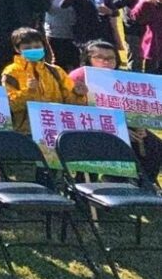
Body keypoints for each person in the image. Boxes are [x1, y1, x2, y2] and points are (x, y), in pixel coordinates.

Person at [69, 40, 162, 183]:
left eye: (110, 58)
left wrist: (139, 125)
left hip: (122, 125)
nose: (105, 62)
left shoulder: (121, 77)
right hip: (88, 126)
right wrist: (119, 130)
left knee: (154, 145)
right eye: (99, 58)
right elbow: (74, 112)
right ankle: (113, 182)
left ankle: (144, 184)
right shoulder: (78, 77)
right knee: (118, 145)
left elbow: (133, 107)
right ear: (88, 59)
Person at [1, 27, 87, 134]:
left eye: (37, 47)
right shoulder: (11, 72)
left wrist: (78, 95)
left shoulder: (55, 71)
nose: (33, 50)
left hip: (57, 127)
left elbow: (70, 102)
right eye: (27, 48)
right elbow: (9, 105)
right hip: (26, 131)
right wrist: (29, 92)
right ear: (17, 49)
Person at [112, 0, 151, 72]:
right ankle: (134, 81)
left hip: (151, 28)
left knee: (152, 55)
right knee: (135, 57)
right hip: (133, 29)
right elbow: (113, 5)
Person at [129, 0, 162, 75]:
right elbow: (135, 17)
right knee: (153, 74)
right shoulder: (147, 4)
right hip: (155, 46)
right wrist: (144, 3)